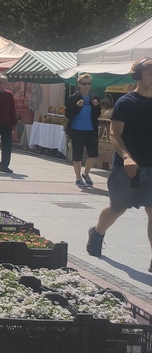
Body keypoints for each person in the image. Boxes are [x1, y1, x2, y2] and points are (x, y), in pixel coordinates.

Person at [87, 58, 152, 270]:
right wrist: (127, 157)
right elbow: (115, 135)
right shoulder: (126, 102)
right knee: (117, 209)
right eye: (150, 70)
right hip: (128, 168)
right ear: (138, 74)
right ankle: (97, 232)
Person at [65, 74, 101, 187]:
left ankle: (86, 173)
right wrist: (77, 106)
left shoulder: (94, 97)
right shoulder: (73, 98)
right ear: (79, 85)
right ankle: (78, 177)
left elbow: (97, 114)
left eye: (89, 84)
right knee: (77, 156)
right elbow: (68, 114)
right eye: (84, 84)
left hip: (91, 129)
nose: (87, 86)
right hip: (76, 129)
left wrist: (96, 106)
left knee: (93, 155)